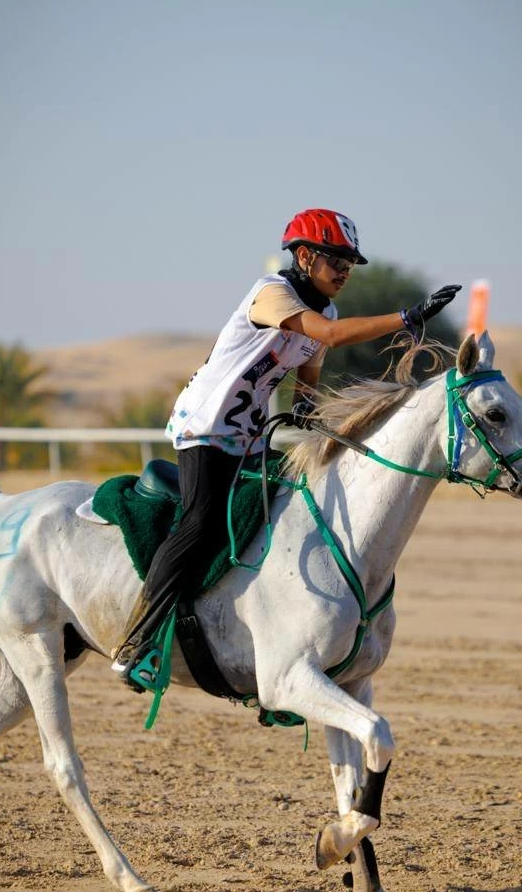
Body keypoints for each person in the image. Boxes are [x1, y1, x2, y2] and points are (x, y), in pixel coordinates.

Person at [112, 207, 460, 688]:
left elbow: (308, 379)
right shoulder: (270, 294)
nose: (344, 270)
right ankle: (138, 639)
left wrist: (308, 416)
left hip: (251, 434)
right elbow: (332, 337)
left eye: (348, 262)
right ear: (303, 255)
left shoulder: (326, 310)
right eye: (335, 258)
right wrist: (407, 317)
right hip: (205, 428)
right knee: (202, 521)